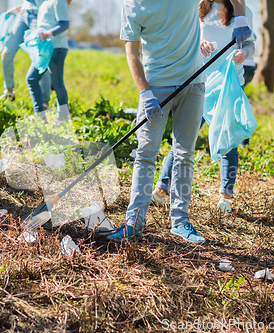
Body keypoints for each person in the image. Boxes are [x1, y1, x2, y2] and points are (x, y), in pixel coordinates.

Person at [107, 0, 251, 243]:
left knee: (184, 153)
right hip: (156, 86)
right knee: (145, 154)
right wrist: (145, 93)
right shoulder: (131, 6)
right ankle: (133, 223)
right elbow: (131, 53)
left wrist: (242, 19)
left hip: (193, 83)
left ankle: (180, 222)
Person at [151, 0, 255, 214]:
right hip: (199, 82)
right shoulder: (195, 7)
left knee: (228, 142)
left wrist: (244, 54)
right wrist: (198, 45)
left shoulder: (242, 12)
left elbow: (250, 44)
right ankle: (162, 189)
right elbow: (183, 40)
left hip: (228, 84)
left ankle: (225, 199)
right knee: (183, 138)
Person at [26, 0, 70, 125]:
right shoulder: (44, 2)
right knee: (31, 78)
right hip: (44, 48)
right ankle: (40, 117)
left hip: (57, 47)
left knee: (57, 84)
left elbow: (65, 24)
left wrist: (47, 34)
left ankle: (62, 119)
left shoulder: (59, 1)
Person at [0, 0, 52, 107]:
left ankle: (45, 102)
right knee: (6, 54)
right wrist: (19, 8)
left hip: (40, 15)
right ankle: (9, 92)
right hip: (23, 15)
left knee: (40, 58)